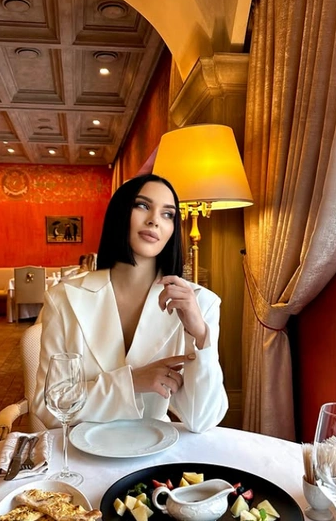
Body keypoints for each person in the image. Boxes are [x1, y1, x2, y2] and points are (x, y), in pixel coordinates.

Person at [32, 173, 228, 433]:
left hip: (156, 448)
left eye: (167, 214)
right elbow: (49, 408)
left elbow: (202, 419)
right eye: (143, 205)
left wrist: (200, 335)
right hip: (83, 450)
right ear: (120, 213)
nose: (154, 220)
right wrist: (131, 382)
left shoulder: (201, 303)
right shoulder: (63, 298)